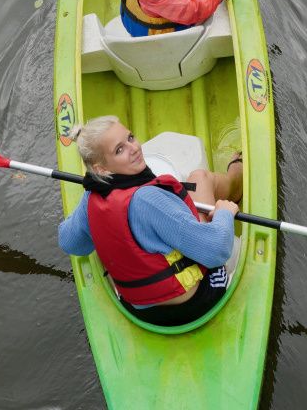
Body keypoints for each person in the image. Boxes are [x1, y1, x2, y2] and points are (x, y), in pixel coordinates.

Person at [58, 115, 243, 327]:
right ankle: (236, 179)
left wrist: (89, 213)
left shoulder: (90, 200)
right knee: (200, 178)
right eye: (120, 150)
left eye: (130, 137)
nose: (134, 148)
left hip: (139, 311)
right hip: (195, 303)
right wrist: (224, 213)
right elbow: (216, 251)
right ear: (101, 169)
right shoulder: (150, 200)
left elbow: (70, 243)